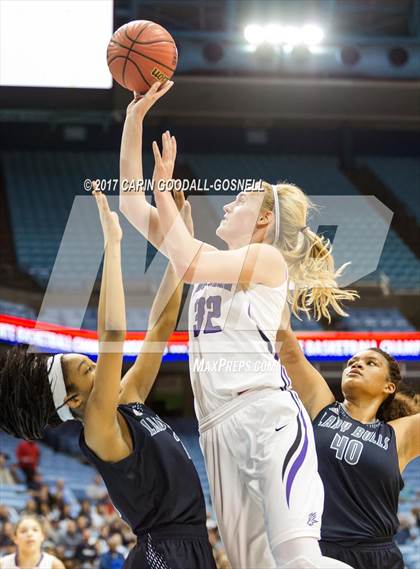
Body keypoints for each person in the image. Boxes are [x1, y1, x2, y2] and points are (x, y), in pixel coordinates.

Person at [119, 82, 357, 568]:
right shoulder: (213, 259)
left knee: (298, 559)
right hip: (215, 430)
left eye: (241, 199)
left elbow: (184, 261)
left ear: (265, 219)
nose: (227, 204)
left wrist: (165, 189)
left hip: (266, 417)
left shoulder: (266, 260)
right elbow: (129, 202)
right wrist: (133, 118)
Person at [0, 190, 216, 569]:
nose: (100, 368)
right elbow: (113, 334)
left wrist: (181, 252)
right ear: (74, 402)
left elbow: (160, 327)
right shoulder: (98, 430)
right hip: (164, 553)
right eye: (87, 370)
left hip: (190, 545)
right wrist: (113, 245)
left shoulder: (126, 401)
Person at [279, 328, 420, 569]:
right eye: (351, 362)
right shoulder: (322, 407)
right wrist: (279, 290)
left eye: (370, 362)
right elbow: (288, 350)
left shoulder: (398, 434)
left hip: (376, 556)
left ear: (389, 386)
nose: (356, 365)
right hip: (316, 548)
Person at [0, 515, 64, 569]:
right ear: (15, 538)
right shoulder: (3, 564)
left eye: (35, 530)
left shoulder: (54, 565)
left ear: (42, 536)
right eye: (23, 531)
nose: (30, 534)